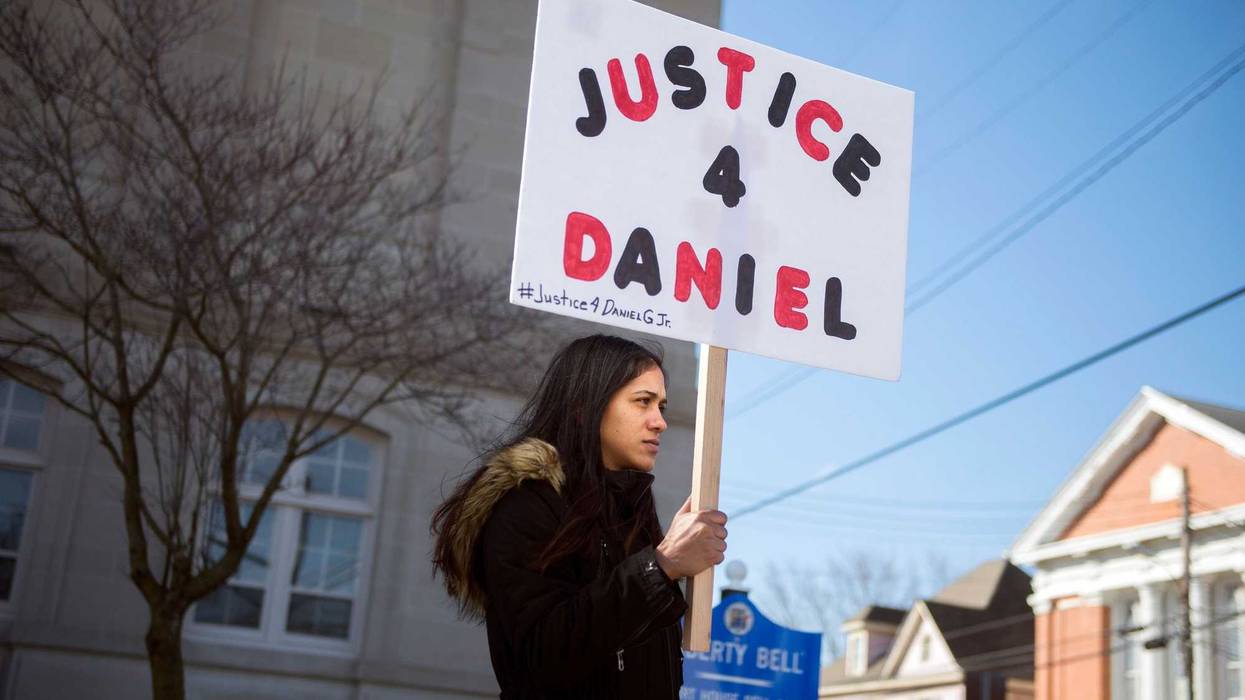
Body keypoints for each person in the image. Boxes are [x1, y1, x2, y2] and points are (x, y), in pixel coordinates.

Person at [431, 334, 728, 699]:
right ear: (585, 407)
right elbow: (537, 657)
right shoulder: (526, 504)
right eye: (642, 402)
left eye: (662, 407)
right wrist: (661, 566)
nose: (659, 422)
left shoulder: (630, 512)